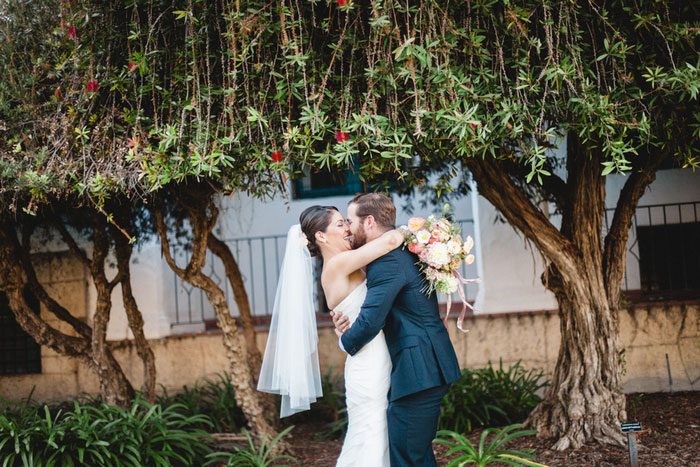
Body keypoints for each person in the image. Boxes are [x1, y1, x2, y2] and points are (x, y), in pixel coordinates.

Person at [258, 203, 403, 466]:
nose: (348, 228)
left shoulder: (350, 260)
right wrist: (422, 232)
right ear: (321, 237)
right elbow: (391, 240)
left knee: (377, 434)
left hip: (376, 356)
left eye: (346, 223)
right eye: (340, 224)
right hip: (368, 366)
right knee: (371, 435)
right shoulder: (337, 265)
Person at [333, 193, 462, 467]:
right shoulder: (401, 251)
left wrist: (344, 343)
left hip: (420, 369)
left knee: (407, 455)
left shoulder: (388, 261)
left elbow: (371, 321)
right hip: (423, 367)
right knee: (416, 454)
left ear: (368, 222)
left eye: (350, 221)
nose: (347, 228)